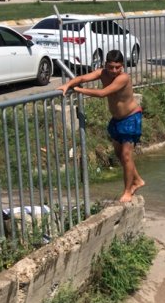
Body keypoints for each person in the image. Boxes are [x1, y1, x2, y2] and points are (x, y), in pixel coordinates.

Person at [59, 50, 144, 203]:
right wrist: (68, 85)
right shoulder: (102, 72)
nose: (114, 71)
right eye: (111, 67)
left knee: (126, 155)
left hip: (131, 118)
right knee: (119, 154)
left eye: (117, 67)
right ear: (105, 64)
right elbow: (83, 77)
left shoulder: (123, 78)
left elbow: (102, 93)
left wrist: (78, 90)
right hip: (117, 119)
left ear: (122, 66)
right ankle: (137, 180)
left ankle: (128, 191)